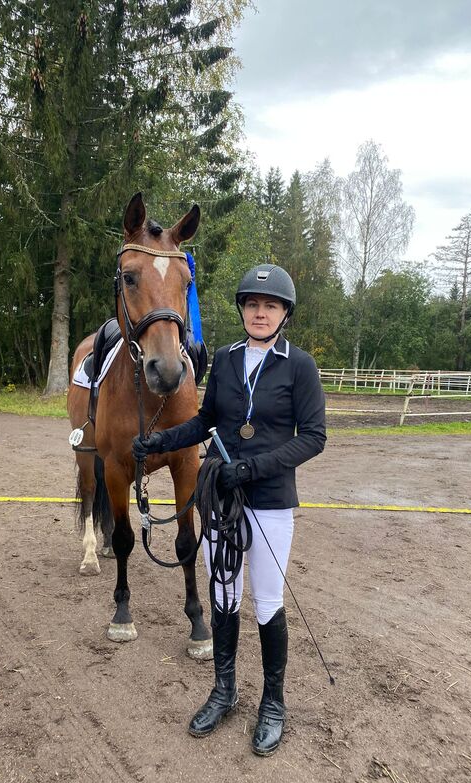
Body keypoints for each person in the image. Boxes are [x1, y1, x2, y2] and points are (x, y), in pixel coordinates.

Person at [132, 264, 326, 756]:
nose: (260, 313)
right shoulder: (224, 358)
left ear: (284, 313)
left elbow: (313, 437)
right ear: (242, 310)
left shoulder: (299, 366)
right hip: (220, 498)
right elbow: (206, 421)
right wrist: (159, 441)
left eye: (270, 306)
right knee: (223, 593)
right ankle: (224, 690)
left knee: (268, 601)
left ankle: (273, 702)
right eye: (252, 305)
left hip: (270, 500)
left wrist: (254, 468)